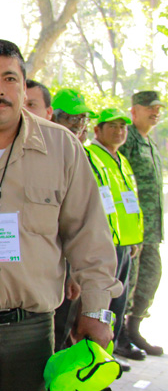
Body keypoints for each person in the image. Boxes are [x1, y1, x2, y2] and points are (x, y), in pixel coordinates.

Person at [0, 39, 121, 391]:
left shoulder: (62, 147)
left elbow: (88, 234)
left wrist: (96, 310)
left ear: (23, 86)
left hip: (30, 334)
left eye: (10, 79)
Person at [86, 108, 144, 367]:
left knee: (118, 303)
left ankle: (110, 353)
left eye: (123, 127)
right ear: (97, 130)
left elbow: (126, 203)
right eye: (113, 126)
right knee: (102, 305)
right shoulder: (91, 155)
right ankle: (96, 356)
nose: (119, 131)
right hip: (104, 244)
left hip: (124, 244)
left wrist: (134, 238)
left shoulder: (120, 159)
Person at [117, 90, 165, 357]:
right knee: (129, 281)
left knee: (150, 277)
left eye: (158, 108)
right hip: (133, 229)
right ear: (134, 111)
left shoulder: (150, 143)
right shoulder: (128, 140)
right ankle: (121, 335)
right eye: (150, 108)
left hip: (152, 229)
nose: (155, 112)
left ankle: (135, 328)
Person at [49, 88, 92, 352]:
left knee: (65, 335)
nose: (78, 125)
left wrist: (75, 271)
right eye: (72, 118)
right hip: (47, 270)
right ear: (53, 117)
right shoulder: (44, 154)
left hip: (70, 267)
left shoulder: (81, 155)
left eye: (83, 119)